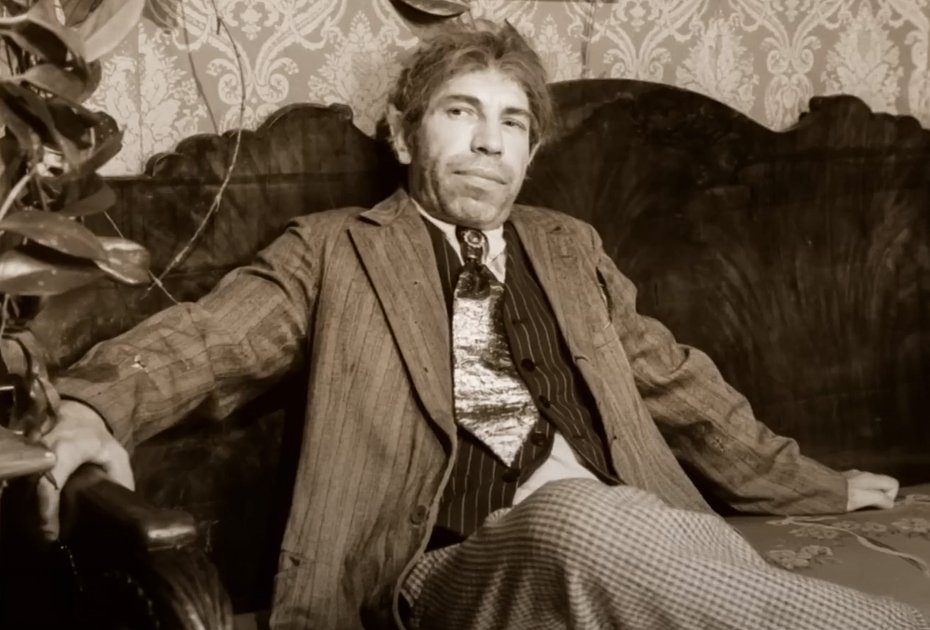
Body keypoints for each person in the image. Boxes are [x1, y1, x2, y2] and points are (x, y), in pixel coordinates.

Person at [37, 21, 927, 630]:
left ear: (531, 153)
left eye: (513, 123)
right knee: (579, 521)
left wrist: (814, 486)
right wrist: (89, 406)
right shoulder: (336, 248)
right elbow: (206, 340)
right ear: (404, 136)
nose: (489, 143)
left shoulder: (570, 247)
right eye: (460, 113)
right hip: (452, 565)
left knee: (629, 525)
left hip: (639, 532)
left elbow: (678, 383)